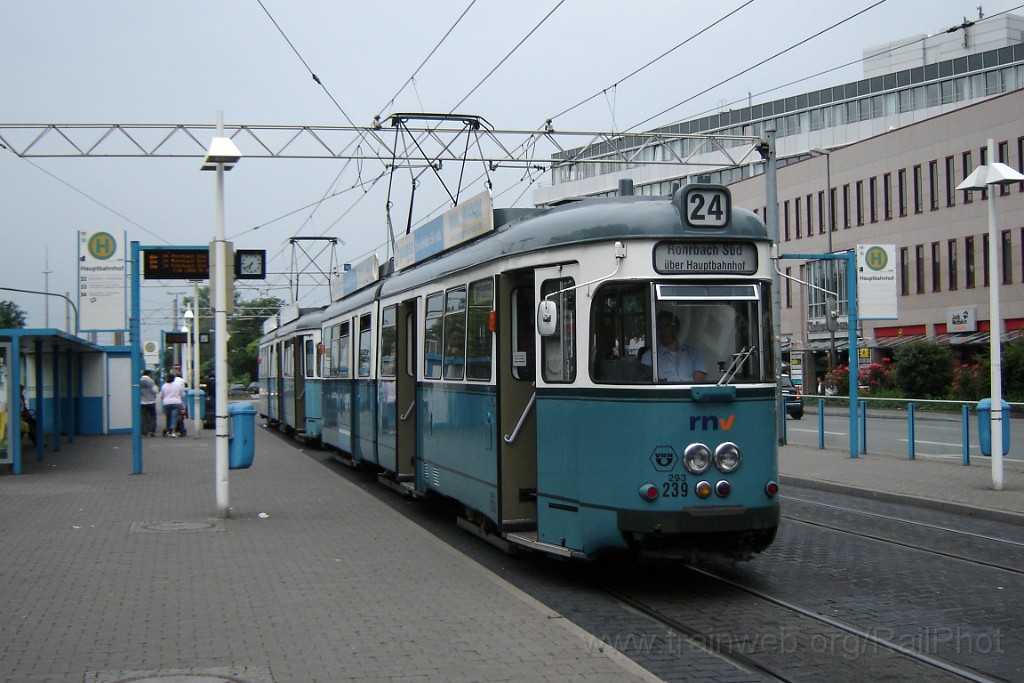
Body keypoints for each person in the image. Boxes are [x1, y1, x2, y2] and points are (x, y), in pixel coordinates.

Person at [641, 310, 708, 383]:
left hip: (690, 393)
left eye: (667, 326)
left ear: (677, 328)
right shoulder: (649, 357)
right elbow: (649, 388)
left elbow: (700, 385)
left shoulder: (694, 354)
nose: (663, 331)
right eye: (660, 328)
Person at [158, 372, 185, 437]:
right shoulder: (177, 385)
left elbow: (161, 396)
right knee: (174, 417)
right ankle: (173, 432)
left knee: (168, 418)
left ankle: (168, 431)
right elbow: (182, 394)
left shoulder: (164, 386)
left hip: (166, 403)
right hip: (176, 402)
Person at [139, 369, 157, 437]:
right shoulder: (151, 381)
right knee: (153, 416)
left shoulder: (139, 381)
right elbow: (155, 390)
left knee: (144, 417)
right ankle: (152, 431)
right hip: (151, 401)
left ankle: (144, 432)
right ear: (149, 374)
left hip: (142, 401)